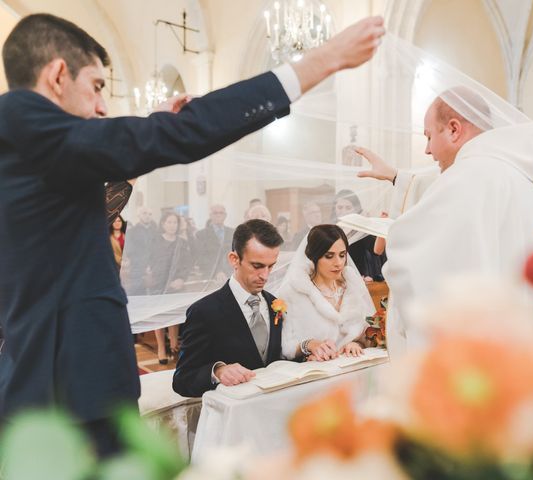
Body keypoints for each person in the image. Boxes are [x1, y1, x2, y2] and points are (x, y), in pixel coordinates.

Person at [0, 12, 385, 456]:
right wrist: (324, 60)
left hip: (51, 382)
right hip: (72, 392)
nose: (102, 107)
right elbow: (187, 132)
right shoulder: (34, 130)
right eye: (97, 86)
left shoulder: (27, 145)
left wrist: (145, 125)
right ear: (57, 75)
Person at [357, 90, 533, 355]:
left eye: (429, 136)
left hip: (490, 360)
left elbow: (427, 273)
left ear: (454, 129)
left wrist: (398, 250)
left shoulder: (472, 175)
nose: (427, 150)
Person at [173, 220, 284, 397]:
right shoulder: (204, 311)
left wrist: (308, 350)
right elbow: (182, 380)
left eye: (271, 266)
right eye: (257, 266)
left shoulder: (275, 304)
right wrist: (218, 371)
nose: (265, 275)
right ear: (234, 259)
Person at [279, 225, 375, 361]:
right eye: (329, 256)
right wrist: (309, 345)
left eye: (342, 255)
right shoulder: (293, 293)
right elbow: (285, 347)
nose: (338, 263)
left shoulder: (353, 286)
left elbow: (368, 333)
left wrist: (356, 343)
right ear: (314, 257)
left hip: (351, 367)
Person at [149, 211, 192, 364]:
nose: (172, 225)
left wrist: (181, 278)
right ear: (163, 224)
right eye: (169, 222)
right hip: (158, 283)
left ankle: (174, 344)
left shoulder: (182, 242)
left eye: (175, 222)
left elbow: (186, 264)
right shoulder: (155, 240)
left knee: (173, 314)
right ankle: (161, 347)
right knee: (159, 315)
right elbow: (152, 260)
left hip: (176, 283)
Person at [331, 189, 386, 282]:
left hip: (355, 280)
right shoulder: (330, 229)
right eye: (340, 207)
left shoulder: (360, 230)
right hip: (333, 279)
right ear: (334, 209)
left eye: (348, 208)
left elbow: (377, 251)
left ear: (356, 209)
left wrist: (381, 227)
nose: (343, 211)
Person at [195, 204, 234, 283]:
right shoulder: (201, 234)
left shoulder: (233, 233)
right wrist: (217, 272)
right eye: (215, 213)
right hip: (210, 277)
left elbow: (236, 255)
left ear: (225, 215)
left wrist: (227, 272)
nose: (218, 215)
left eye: (221, 213)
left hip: (231, 276)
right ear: (210, 215)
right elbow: (201, 257)